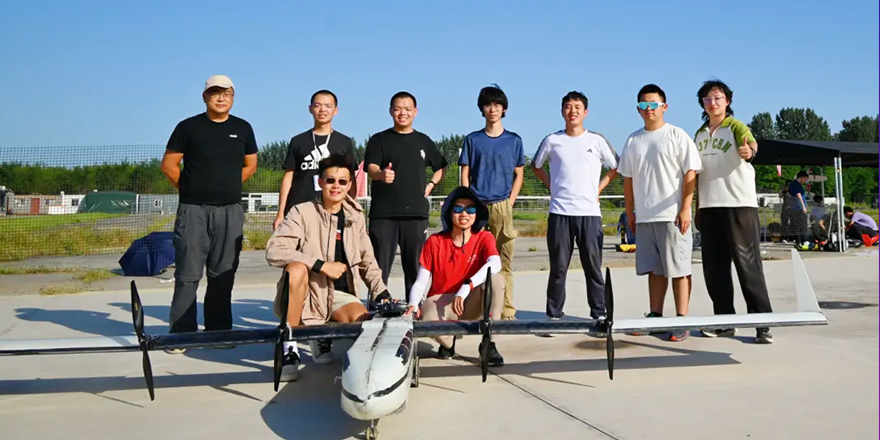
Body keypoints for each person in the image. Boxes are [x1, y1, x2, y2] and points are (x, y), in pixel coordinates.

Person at [265, 153, 392, 381]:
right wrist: (321, 265)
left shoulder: (355, 216)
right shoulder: (301, 212)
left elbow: (367, 259)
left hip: (339, 294)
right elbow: (274, 250)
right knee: (296, 269)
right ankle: (289, 348)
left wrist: (382, 293)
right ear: (320, 182)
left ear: (349, 185)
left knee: (364, 323)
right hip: (308, 292)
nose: (336, 186)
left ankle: (320, 334)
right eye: (330, 180)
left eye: (342, 181)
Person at [160, 75, 258, 351]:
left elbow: (251, 165)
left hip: (230, 211)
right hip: (193, 211)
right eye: (215, 93)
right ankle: (181, 334)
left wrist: (228, 186)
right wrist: (190, 189)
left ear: (233, 97)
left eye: (226, 93)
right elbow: (169, 165)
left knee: (223, 273)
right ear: (205, 97)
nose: (221, 98)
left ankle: (218, 332)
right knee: (188, 274)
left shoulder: (243, 128)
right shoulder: (188, 127)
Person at [617, 84, 701, 342]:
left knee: (679, 268)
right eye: (643, 105)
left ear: (664, 106)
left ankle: (681, 319)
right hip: (645, 217)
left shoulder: (677, 135)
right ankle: (655, 316)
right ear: (638, 109)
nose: (648, 109)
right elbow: (628, 179)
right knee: (654, 270)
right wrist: (630, 212)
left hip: (672, 216)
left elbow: (691, 172)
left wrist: (685, 208)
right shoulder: (633, 140)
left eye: (653, 104)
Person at [692, 79, 773, 344]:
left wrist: (749, 151)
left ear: (727, 101)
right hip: (709, 207)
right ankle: (725, 322)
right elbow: (696, 174)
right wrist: (697, 208)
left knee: (747, 265)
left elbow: (752, 146)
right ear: (702, 103)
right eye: (707, 99)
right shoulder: (699, 134)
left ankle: (763, 323)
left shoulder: (736, 126)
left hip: (738, 205)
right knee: (715, 269)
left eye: (717, 98)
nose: (712, 103)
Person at [531, 91, 618, 327]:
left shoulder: (596, 141)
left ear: (585, 112)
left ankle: (599, 313)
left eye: (577, 107)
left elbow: (615, 167)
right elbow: (536, 166)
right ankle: (554, 314)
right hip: (560, 213)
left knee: (593, 267)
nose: (573, 111)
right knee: (558, 268)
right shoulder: (552, 140)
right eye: (568, 107)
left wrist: (598, 189)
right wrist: (552, 185)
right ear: (562, 111)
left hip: (589, 214)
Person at [405, 186, 505, 365]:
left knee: (496, 280)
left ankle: (490, 343)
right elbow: (421, 281)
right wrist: (413, 304)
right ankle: (448, 343)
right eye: (458, 208)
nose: (464, 213)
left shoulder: (484, 237)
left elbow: (495, 263)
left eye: (471, 209)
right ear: (449, 213)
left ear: (477, 214)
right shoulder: (435, 241)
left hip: (471, 299)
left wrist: (467, 286)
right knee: (427, 318)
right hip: (442, 301)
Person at [364, 91, 448, 296]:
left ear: (415, 111)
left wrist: (431, 184)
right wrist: (381, 174)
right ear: (390, 111)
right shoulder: (379, 139)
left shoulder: (423, 141)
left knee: (415, 267)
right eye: (398, 109)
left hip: (416, 214)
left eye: (407, 109)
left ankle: (414, 305)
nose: (403, 113)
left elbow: (441, 166)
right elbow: (371, 167)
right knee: (379, 267)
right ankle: (378, 304)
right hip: (384, 215)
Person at [458, 84, 525, 320]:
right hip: (476, 206)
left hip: (502, 206)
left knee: (503, 261)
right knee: (471, 258)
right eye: (488, 105)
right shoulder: (473, 140)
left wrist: (510, 201)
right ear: (482, 109)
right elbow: (465, 172)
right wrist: (467, 201)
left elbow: (519, 173)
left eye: (497, 105)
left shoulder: (514, 141)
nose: (492, 109)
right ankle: (471, 309)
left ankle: (506, 311)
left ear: (504, 109)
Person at [273, 90, 358, 231]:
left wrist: (352, 208)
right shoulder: (298, 141)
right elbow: (288, 177)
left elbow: (351, 178)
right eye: (317, 105)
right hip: (300, 206)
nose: (322, 110)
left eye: (328, 106)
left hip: (332, 208)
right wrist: (280, 213)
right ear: (310, 108)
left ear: (335, 110)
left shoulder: (344, 142)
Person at [788, 171, 810, 245]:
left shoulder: (792, 184)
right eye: (805, 179)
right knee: (803, 225)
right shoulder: (797, 184)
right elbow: (799, 195)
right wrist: (803, 206)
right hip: (799, 208)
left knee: (796, 225)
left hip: (794, 208)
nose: (805, 181)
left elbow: (788, 193)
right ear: (802, 177)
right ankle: (803, 240)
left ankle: (798, 241)